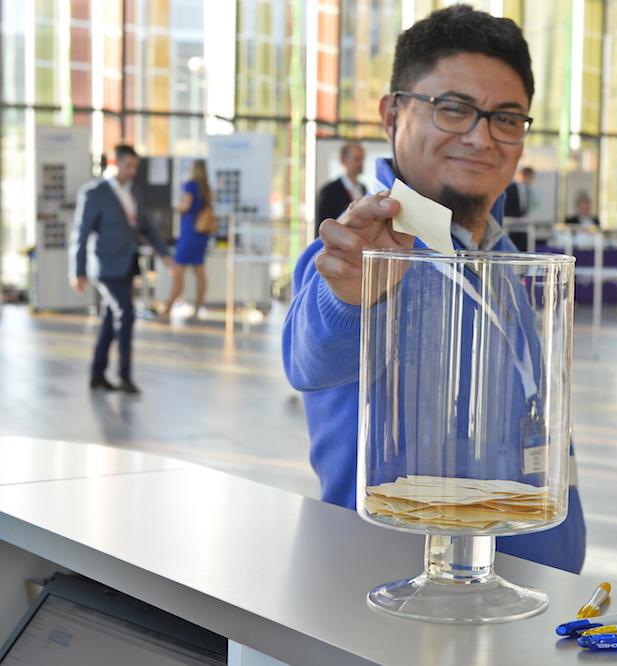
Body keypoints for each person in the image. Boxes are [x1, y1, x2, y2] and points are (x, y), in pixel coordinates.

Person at [283, 4, 585, 574]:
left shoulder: (500, 262)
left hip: (518, 600)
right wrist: (353, 292)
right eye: (453, 109)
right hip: (403, 605)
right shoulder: (362, 258)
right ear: (392, 113)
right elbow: (311, 354)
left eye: (507, 117)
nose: (481, 136)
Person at [69, 144, 174, 394]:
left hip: (127, 264)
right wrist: (78, 271)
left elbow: (146, 227)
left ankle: (97, 374)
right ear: (115, 163)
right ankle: (124, 375)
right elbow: (80, 235)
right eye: (129, 166)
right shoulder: (94, 192)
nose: (133, 171)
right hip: (105, 267)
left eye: (136, 167)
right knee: (125, 313)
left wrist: (165, 254)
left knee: (110, 319)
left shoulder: (134, 192)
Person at [163, 159, 213, 320]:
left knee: (178, 273)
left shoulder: (190, 185)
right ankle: (197, 309)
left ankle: (167, 309)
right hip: (201, 236)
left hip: (189, 234)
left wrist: (175, 207)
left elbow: (185, 206)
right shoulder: (206, 189)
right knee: (200, 273)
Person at [315, 142, 367, 237]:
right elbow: (321, 228)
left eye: (362, 159)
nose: (361, 163)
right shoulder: (329, 191)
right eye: (357, 159)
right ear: (343, 160)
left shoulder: (363, 188)